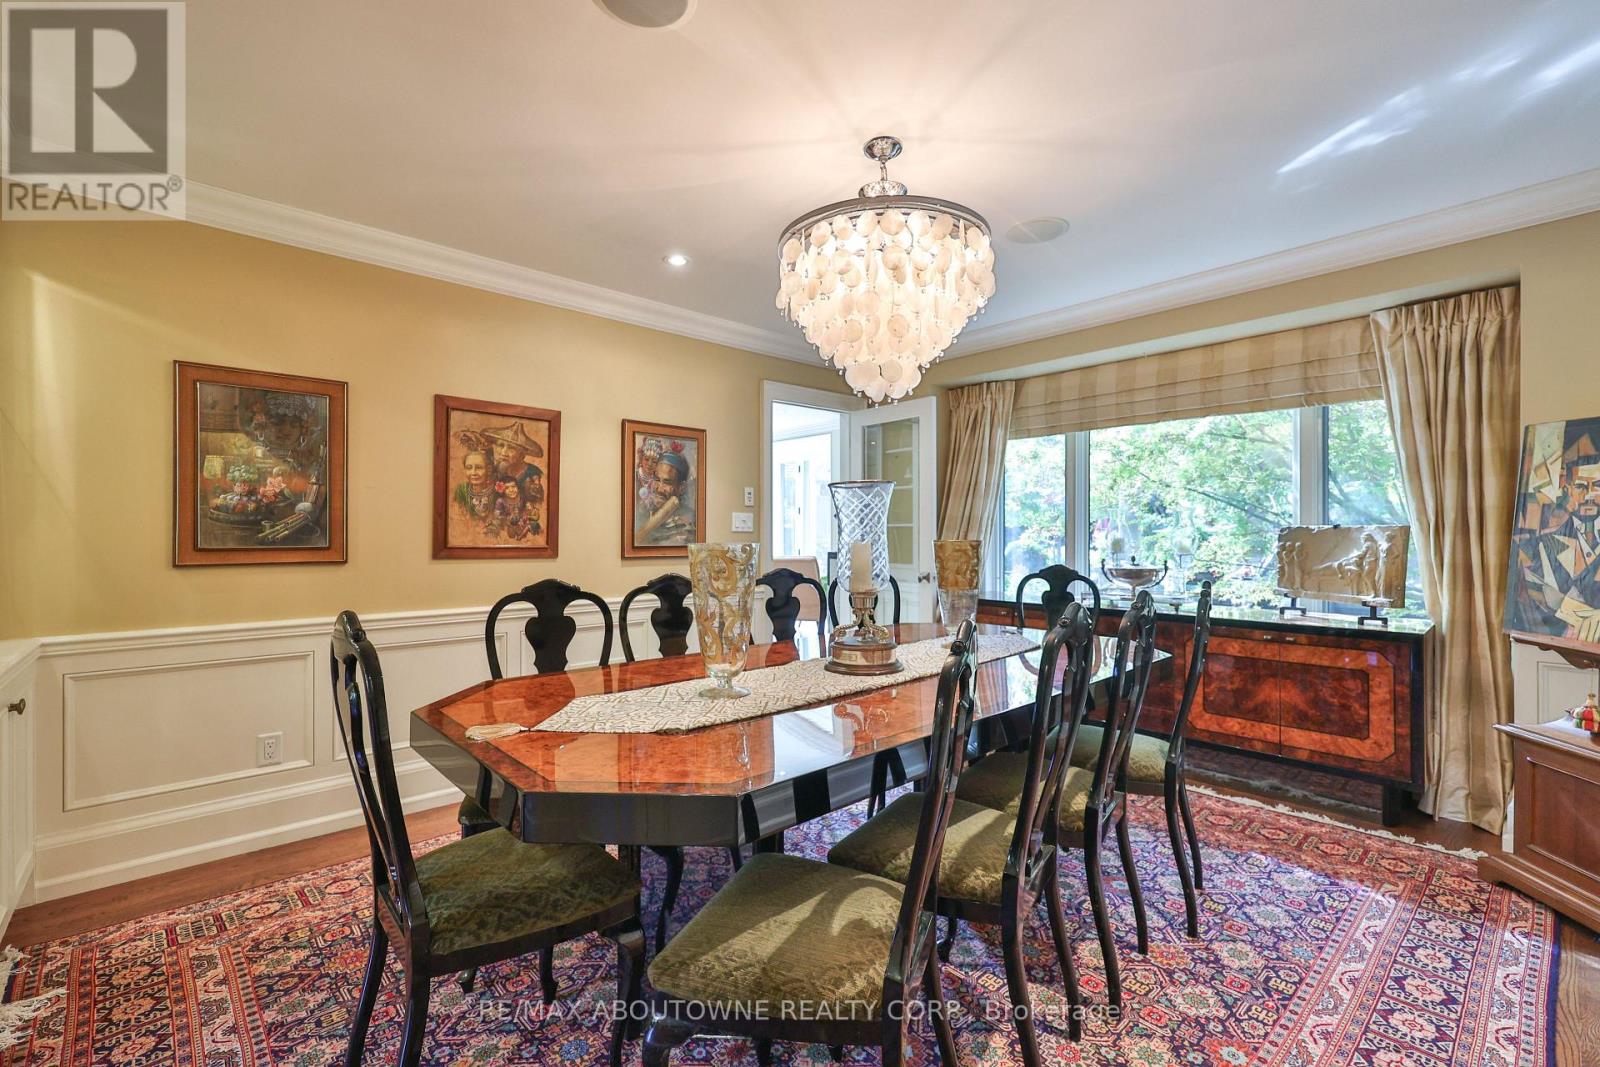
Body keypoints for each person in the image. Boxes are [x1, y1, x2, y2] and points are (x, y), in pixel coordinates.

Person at [1510, 444, 1600, 643]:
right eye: (1581, 486)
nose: (1589, 495)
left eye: (1598, 485)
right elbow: (1538, 594)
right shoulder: (1541, 545)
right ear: (1568, 489)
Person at [452, 449, 495, 521]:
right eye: (469, 468)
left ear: (489, 469)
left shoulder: (497, 492)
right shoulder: (461, 490)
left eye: (479, 467)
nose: (473, 473)